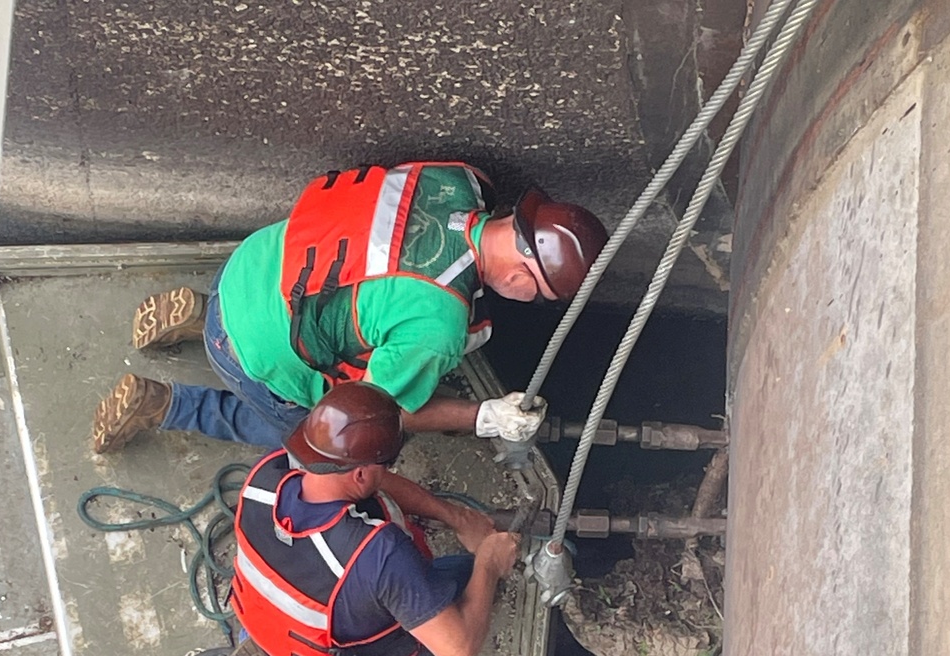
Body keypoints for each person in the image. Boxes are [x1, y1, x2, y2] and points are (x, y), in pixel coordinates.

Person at [92, 162, 607, 456]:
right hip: (247, 351)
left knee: (324, 294)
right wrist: (483, 415)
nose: (531, 300)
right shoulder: (438, 323)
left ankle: (202, 313)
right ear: (520, 280)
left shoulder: (455, 182)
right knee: (309, 439)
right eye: (539, 296)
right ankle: (167, 404)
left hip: (247, 266)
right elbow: (381, 412)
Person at [195, 380, 520, 656]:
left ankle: (264, 645)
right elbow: (459, 651)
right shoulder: (380, 555)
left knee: (301, 606)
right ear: (363, 475)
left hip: (266, 619)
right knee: (462, 577)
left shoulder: (266, 478)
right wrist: (489, 562)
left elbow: (367, 481)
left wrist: (456, 516)